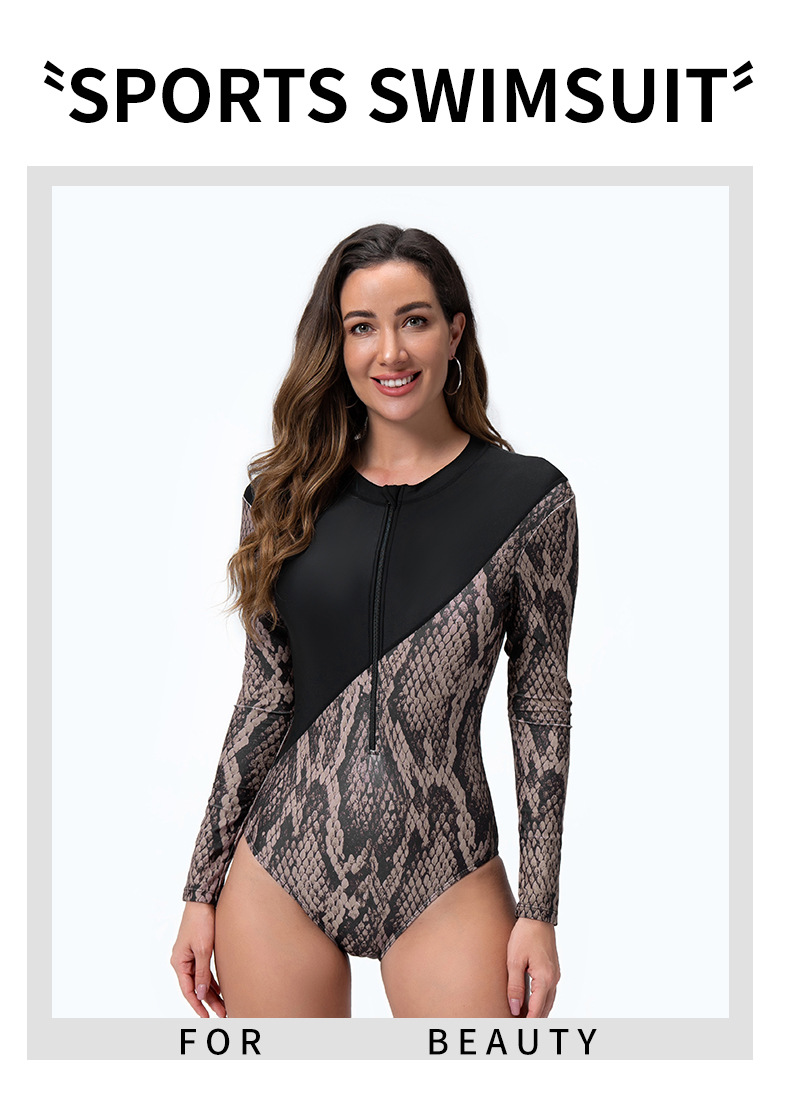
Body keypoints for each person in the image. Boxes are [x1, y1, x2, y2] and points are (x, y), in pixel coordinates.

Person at [170, 223, 579, 1020]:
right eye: (362, 327)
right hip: (277, 870)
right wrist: (199, 889)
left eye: (414, 320)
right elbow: (263, 700)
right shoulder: (281, 499)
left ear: (454, 332)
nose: (390, 352)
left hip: (447, 877)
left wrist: (540, 909)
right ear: (339, 343)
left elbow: (540, 708)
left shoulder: (531, 502)